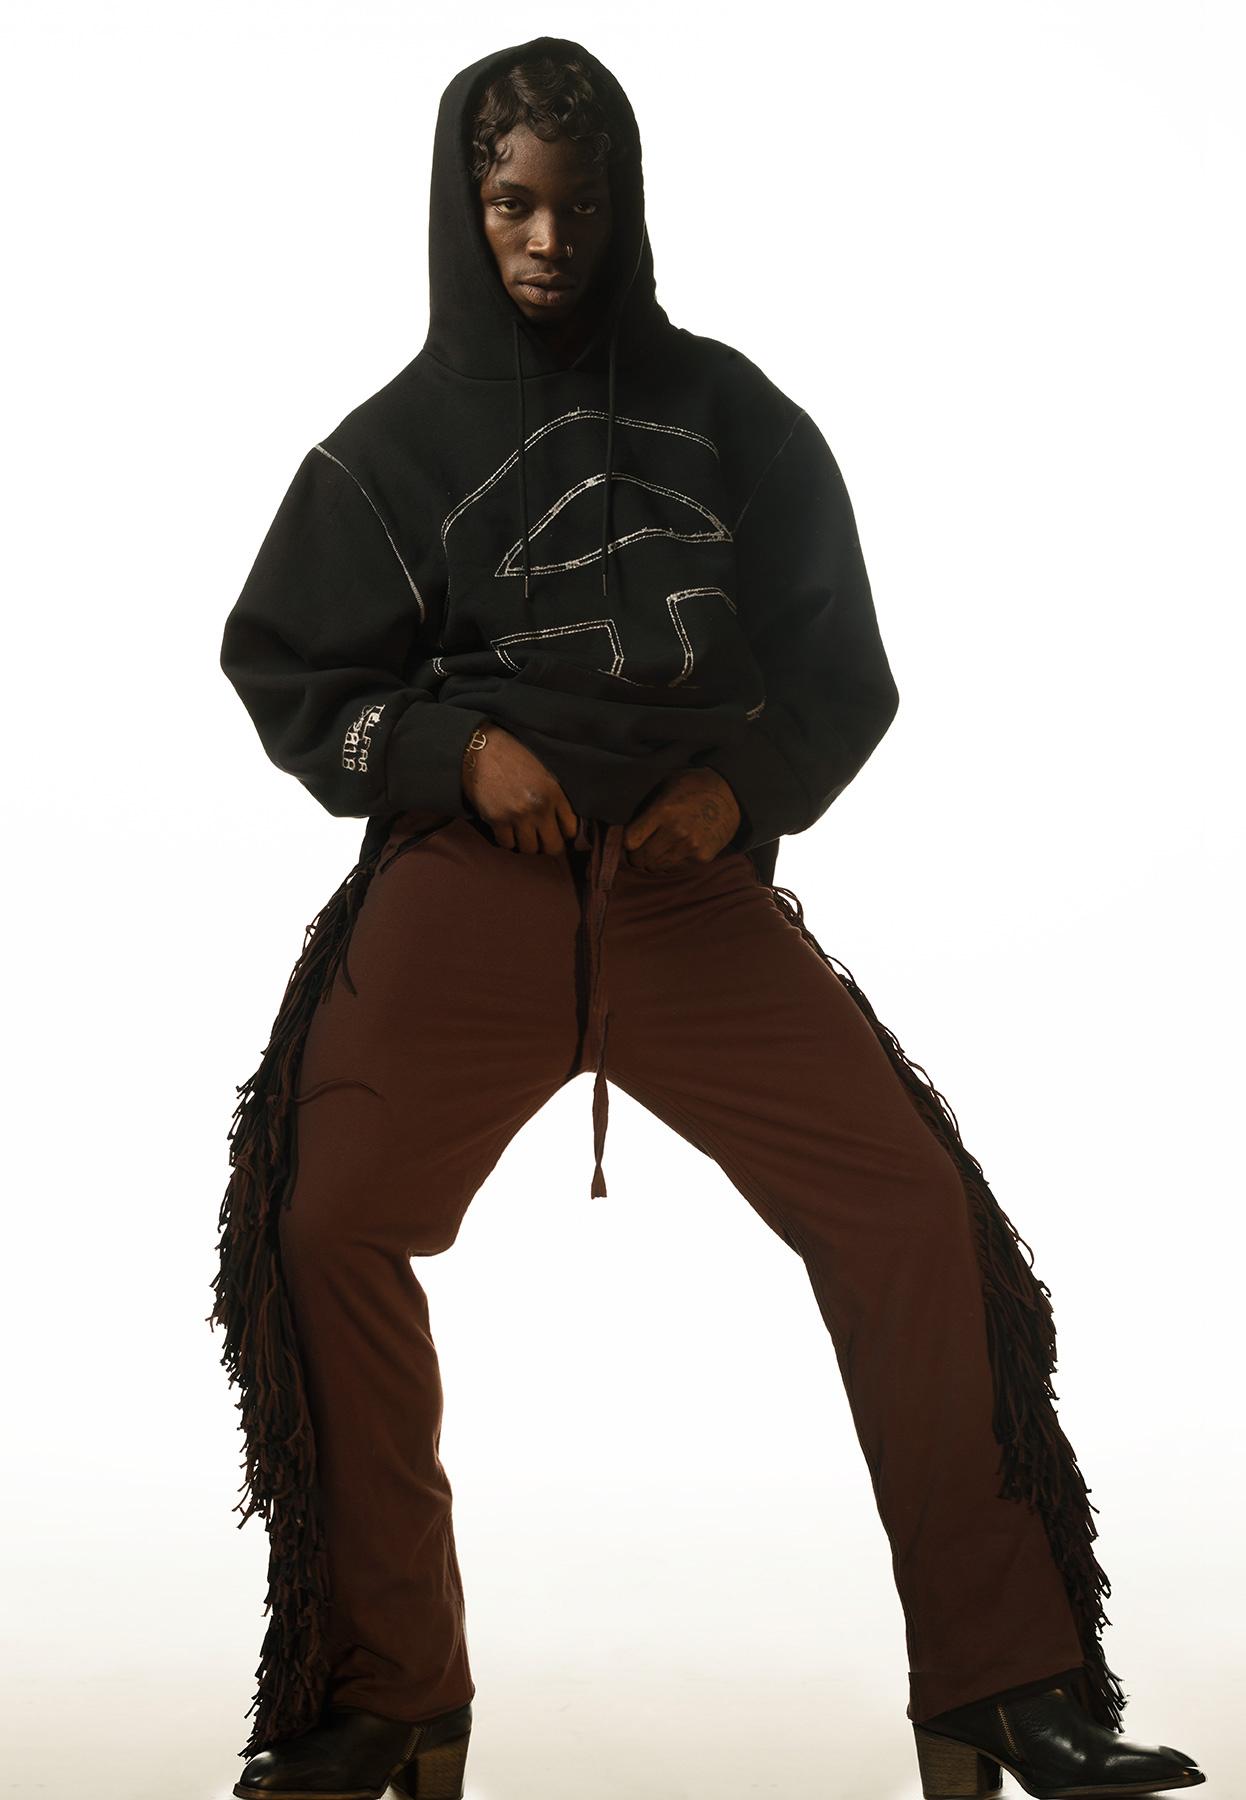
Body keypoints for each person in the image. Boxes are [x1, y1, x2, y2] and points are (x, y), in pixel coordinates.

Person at [209, 35, 1205, 1800]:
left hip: (684, 892)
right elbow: (290, 673)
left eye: (577, 205)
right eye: (509, 204)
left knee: (911, 1211)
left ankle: (1005, 1684)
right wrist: (452, 752)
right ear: (460, 205)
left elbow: (840, 672)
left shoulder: (733, 415)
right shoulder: (381, 453)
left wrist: (742, 796)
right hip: (470, 886)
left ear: (626, 205)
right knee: (319, 1221)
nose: (545, 240)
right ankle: (384, 1693)